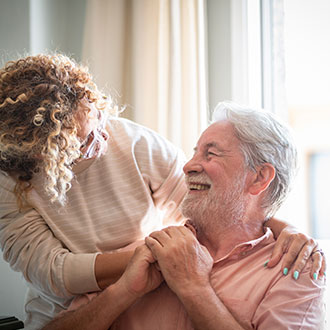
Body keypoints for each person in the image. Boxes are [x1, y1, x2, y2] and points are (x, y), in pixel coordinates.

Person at [0, 55, 323, 329]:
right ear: (43, 152)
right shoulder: (146, 258)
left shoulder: (294, 269)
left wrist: (283, 228)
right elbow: (58, 274)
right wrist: (134, 279)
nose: (103, 138)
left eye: (99, 116)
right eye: (83, 142)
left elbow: (223, 201)